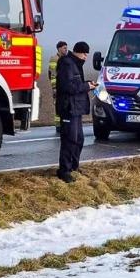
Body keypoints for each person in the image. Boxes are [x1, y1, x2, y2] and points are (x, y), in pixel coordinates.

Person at [55, 40, 93, 182]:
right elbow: (69, 87)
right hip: (68, 108)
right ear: (77, 51)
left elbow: (77, 84)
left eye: (87, 54)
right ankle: (64, 170)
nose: (85, 57)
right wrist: (87, 86)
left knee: (79, 139)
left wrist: (88, 84)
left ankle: (73, 167)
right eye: (84, 53)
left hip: (76, 108)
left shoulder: (75, 64)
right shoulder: (67, 64)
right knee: (69, 139)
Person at [48, 40, 68, 133]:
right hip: (58, 87)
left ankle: (64, 124)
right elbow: (53, 75)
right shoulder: (54, 59)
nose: (66, 49)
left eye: (66, 47)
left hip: (65, 87)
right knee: (58, 106)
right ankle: (58, 126)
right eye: (64, 48)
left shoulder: (66, 58)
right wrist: (55, 88)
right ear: (59, 48)